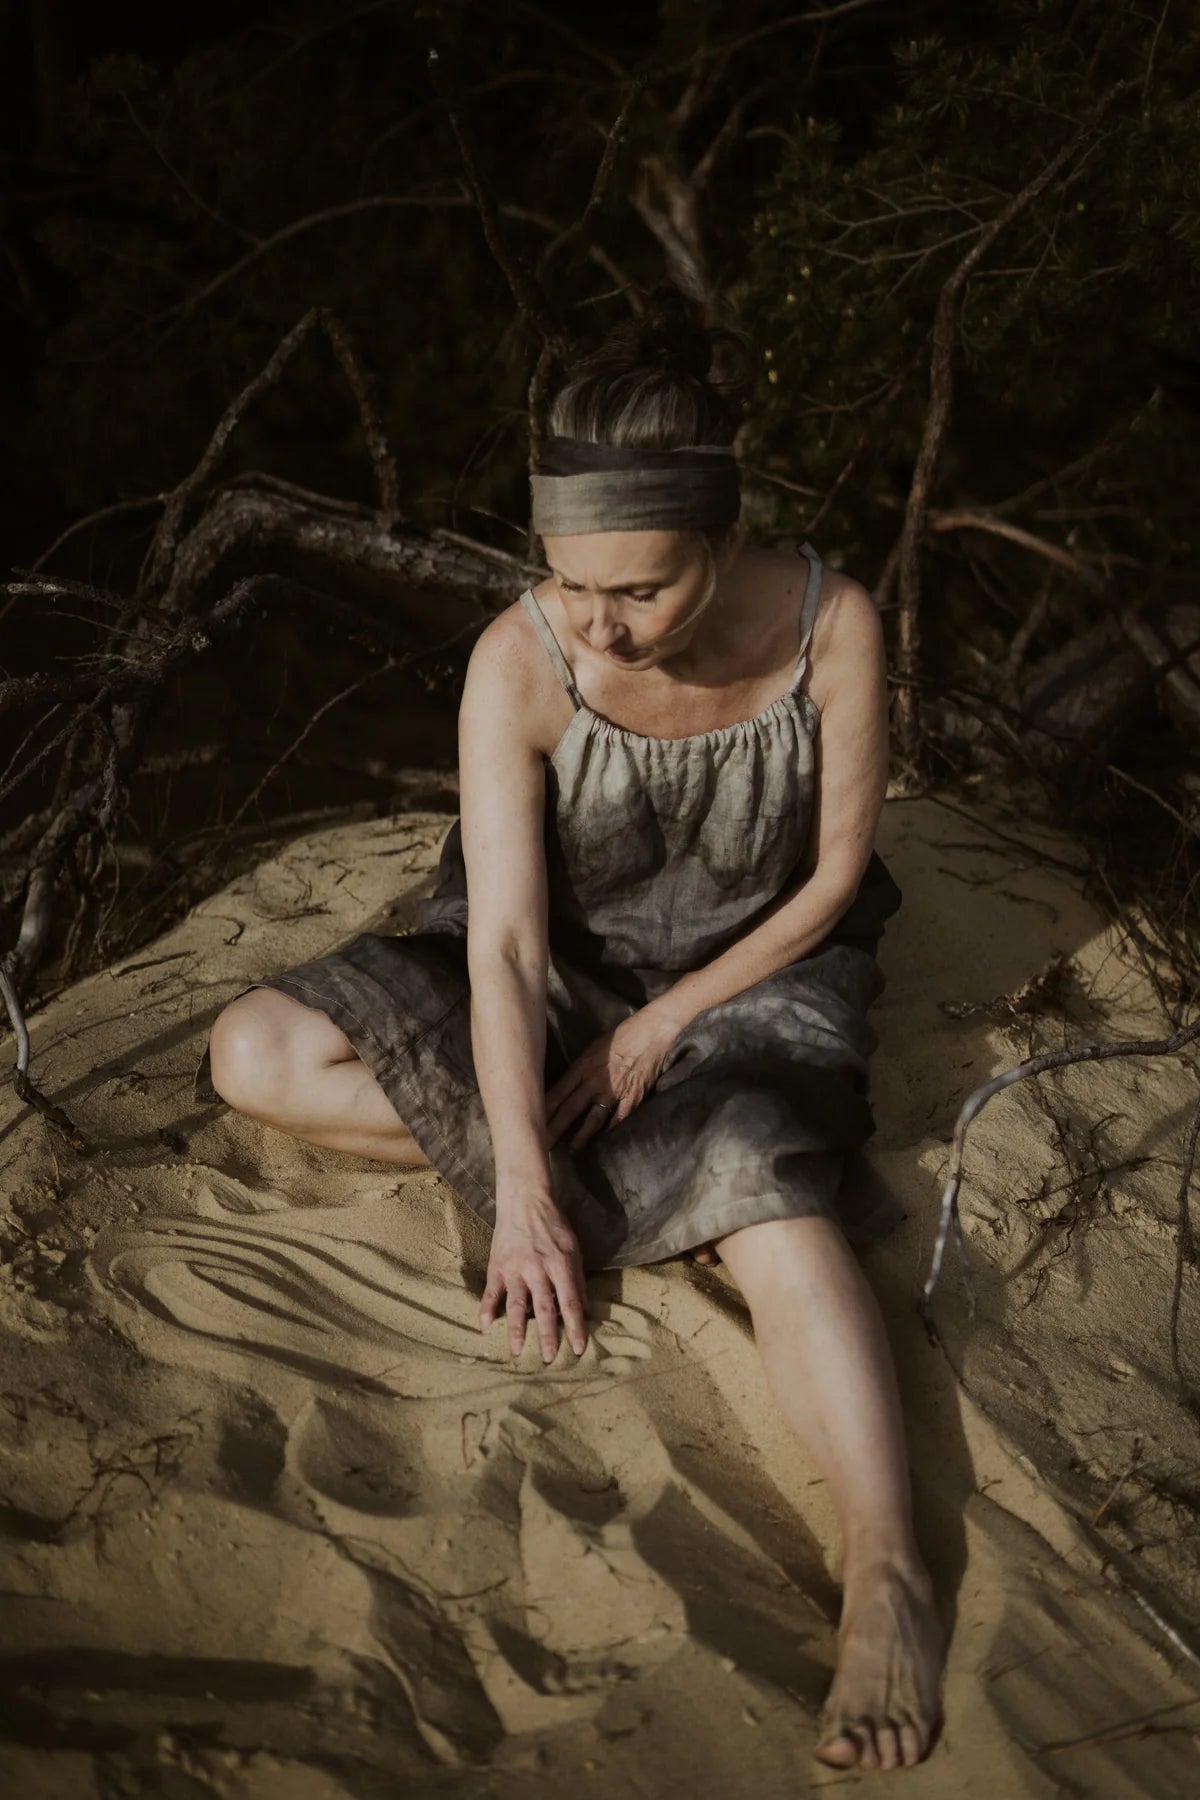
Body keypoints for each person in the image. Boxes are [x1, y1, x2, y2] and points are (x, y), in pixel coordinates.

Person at [199, 290, 945, 1772]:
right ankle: (646, 1182)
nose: (600, 622)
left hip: (754, 972)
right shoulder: (520, 658)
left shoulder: (831, 624)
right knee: (256, 1055)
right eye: (570, 580)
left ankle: (889, 1574)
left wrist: (669, 1022)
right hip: (561, 966)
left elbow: (836, 881)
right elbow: (506, 943)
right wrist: (525, 1192)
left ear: (726, 535)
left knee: (776, 1206)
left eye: (642, 590)